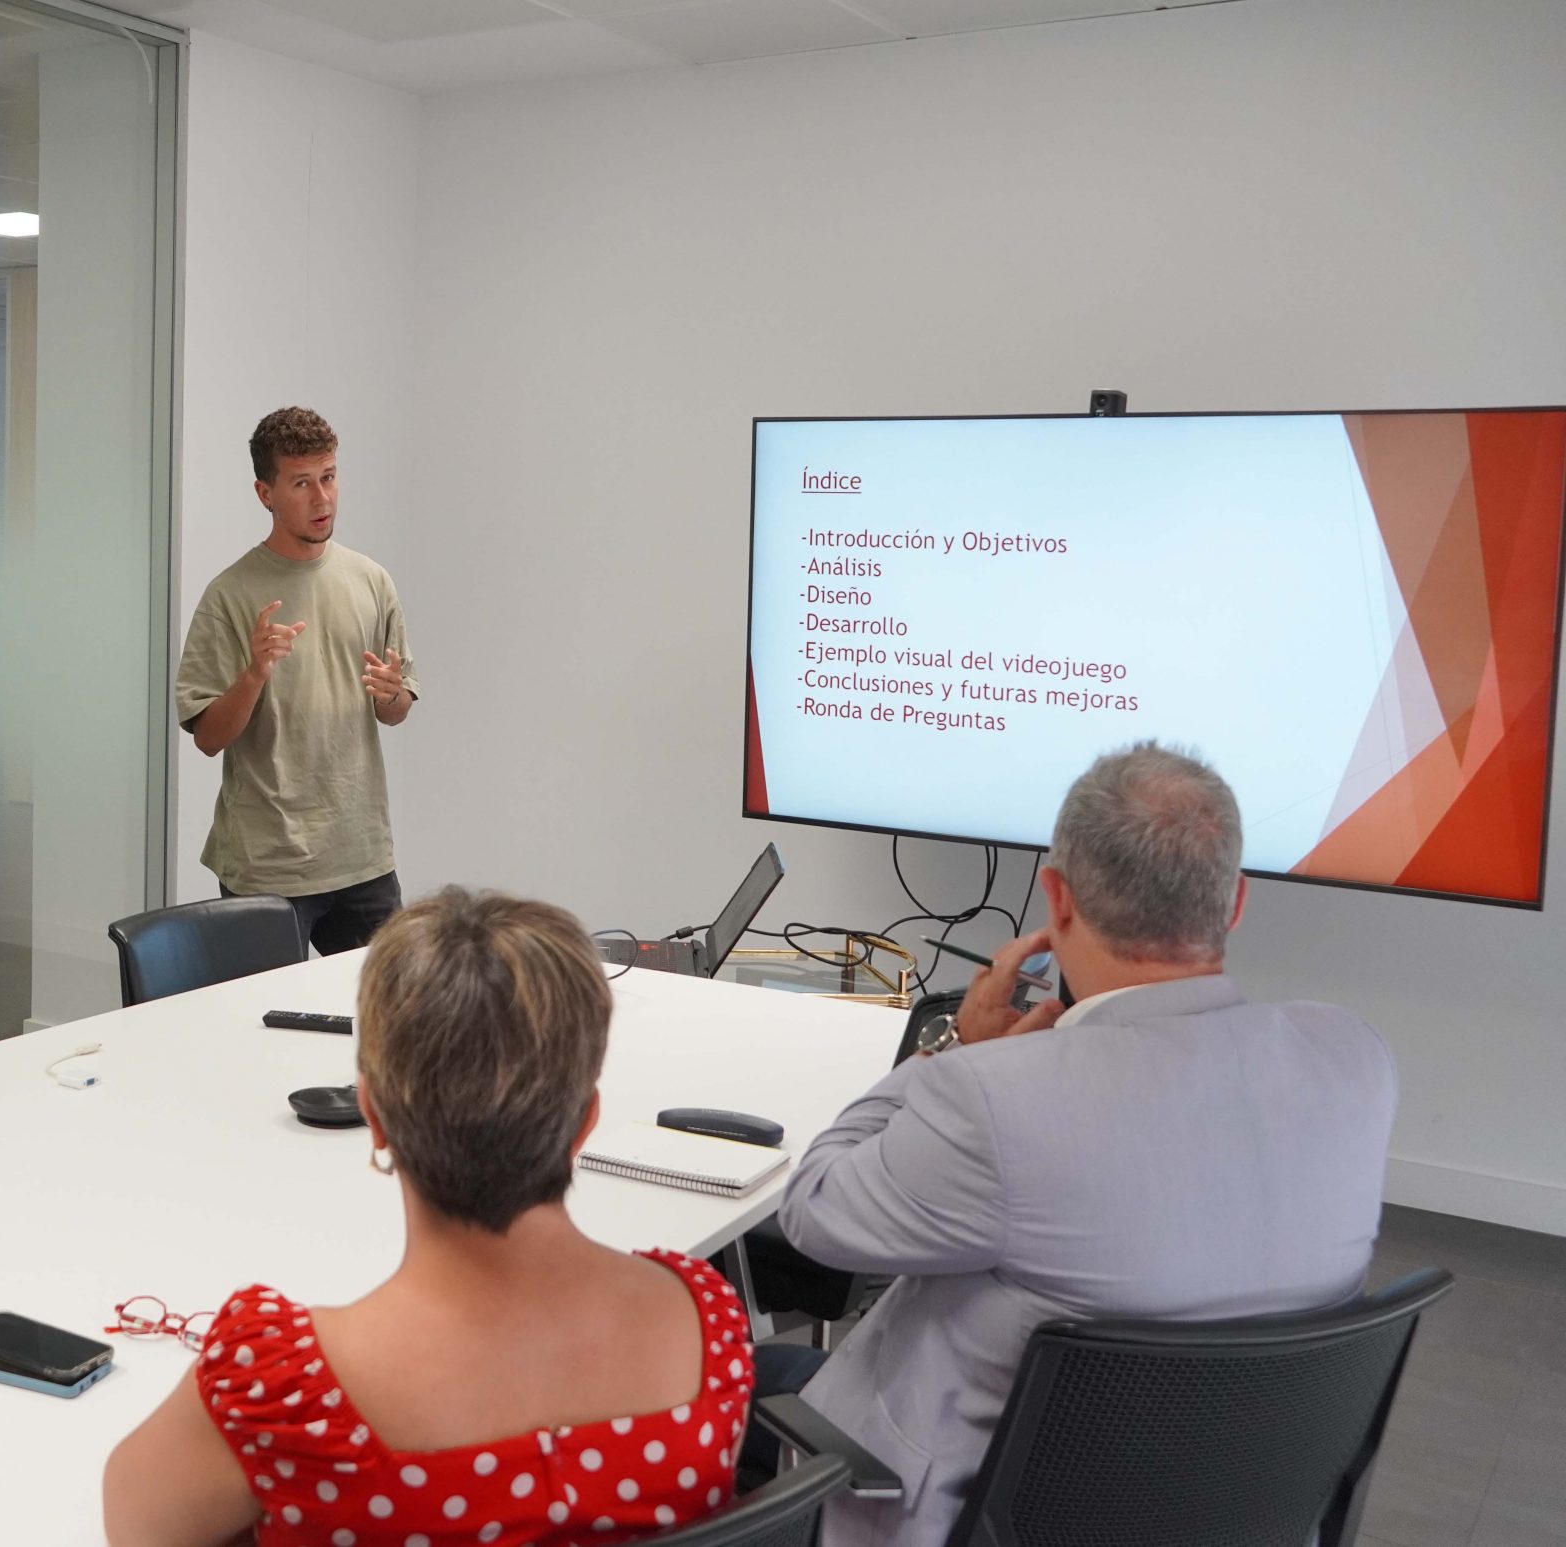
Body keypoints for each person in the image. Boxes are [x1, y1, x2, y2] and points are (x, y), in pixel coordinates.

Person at [767, 742, 1397, 1547]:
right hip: (1233, 1512)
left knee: (736, 1389)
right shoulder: (1354, 1061)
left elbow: (817, 1211)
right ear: (1234, 903)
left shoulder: (995, 1098)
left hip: (958, 1519)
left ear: (1056, 899)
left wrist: (956, 1049)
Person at [103, 889, 756, 1547]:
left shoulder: (281, 1389)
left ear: (375, 1119)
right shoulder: (705, 1323)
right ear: (584, 1120)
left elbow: (133, 1525)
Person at [177, 407, 419, 955]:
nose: (322, 499)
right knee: (264, 1025)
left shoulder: (371, 580)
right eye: (302, 483)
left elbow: (397, 709)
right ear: (266, 493)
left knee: (395, 1018)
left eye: (329, 477)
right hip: (269, 864)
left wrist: (393, 693)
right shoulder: (230, 594)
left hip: (362, 857)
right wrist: (256, 672)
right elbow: (208, 738)